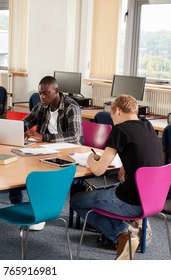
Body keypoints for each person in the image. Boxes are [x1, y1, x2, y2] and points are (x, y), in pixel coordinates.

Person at [70, 95, 164, 260]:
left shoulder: (120, 130)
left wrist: (91, 159)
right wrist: (124, 165)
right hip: (153, 200)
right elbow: (141, 153)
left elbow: (99, 171)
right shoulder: (147, 125)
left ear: (118, 111)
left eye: (112, 116)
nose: (113, 120)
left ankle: (121, 236)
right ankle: (125, 237)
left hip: (131, 202)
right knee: (103, 192)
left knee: (77, 200)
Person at [9, 76, 83, 227]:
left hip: (68, 151)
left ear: (56, 91)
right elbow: (27, 121)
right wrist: (15, 130)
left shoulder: (71, 107)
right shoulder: (42, 105)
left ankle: (41, 212)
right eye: (40, 93)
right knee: (15, 161)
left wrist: (44, 137)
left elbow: (75, 136)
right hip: (44, 149)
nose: (41, 96)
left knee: (41, 172)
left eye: (45, 93)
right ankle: (16, 203)